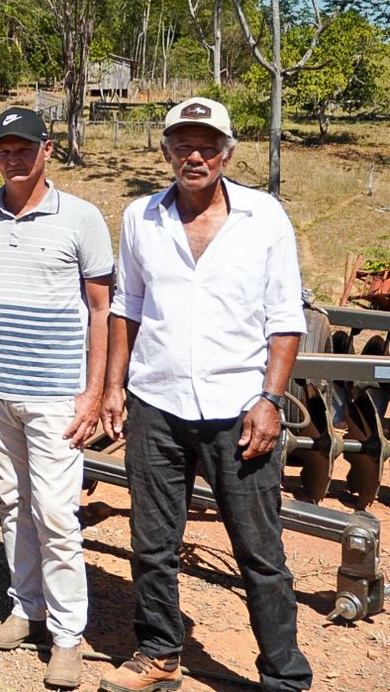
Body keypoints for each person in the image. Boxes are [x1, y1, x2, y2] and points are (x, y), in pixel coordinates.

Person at [99, 98, 312, 692]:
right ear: (165, 150)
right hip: (157, 405)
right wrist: (115, 387)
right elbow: (127, 308)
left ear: (227, 152)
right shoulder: (141, 216)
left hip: (240, 412)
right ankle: (161, 654)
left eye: (207, 145)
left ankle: (284, 676)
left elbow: (284, 317)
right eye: (183, 145)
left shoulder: (263, 217)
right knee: (152, 543)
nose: (195, 156)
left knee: (260, 553)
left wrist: (270, 398)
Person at [0, 107, 112, 690]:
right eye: (4, 149)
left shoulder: (82, 218)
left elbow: (101, 311)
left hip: (55, 395)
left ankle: (68, 637)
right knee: (13, 504)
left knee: (55, 512)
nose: (14, 158)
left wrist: (93, 392)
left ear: (47, 150)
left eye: (24, 148)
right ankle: (27, 609)